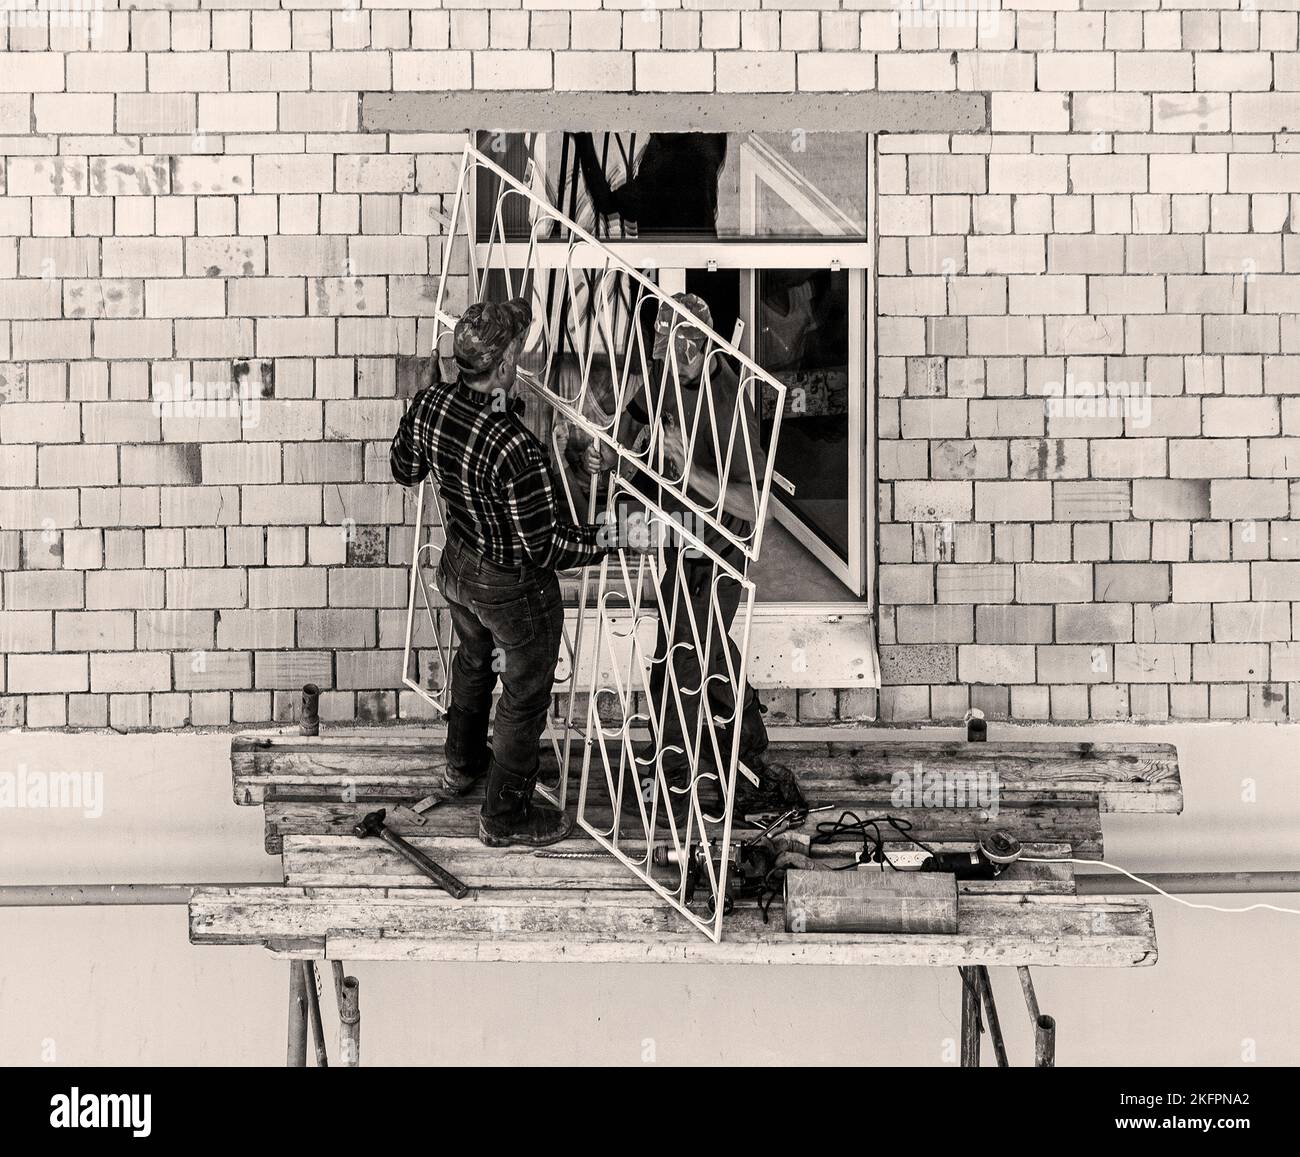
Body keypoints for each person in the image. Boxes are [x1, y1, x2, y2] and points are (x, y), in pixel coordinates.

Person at [390, 298, 631, 847]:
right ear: (500, 367)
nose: (522, 362)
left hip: (457, 572)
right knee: (524, 694)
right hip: (509, 589)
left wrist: (416, 408)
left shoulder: (431, 406)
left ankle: (461, 765)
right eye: (518, 352)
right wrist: (601, 538)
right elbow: (544, 549)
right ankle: (504, 815)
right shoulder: (515, 448)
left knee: (475, 662)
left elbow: (404, 469)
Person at [589, 293, 806, 822]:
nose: (667, 363)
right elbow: (634, 419)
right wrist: (606, 447)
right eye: (661, 353)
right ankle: (692, 752)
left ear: (703, 350)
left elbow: (754, 507)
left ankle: (704, 768)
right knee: (683, 648)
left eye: (677, 355)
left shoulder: (728, 401)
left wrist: (687, 470)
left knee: (693, 653)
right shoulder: (665, 371)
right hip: (681, 541)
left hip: (721, 551)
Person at [571, 133, 728, 238]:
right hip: (704, 268)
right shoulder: (708, 152)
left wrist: (583, 140)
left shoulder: (652, 186)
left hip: (658, 270)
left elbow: (605, 203)